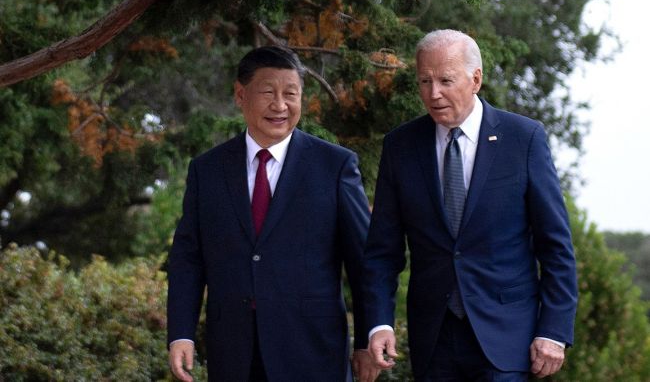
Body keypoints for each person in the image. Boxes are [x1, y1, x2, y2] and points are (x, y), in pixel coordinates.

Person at [363, 29, 578, 380]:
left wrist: (554, 330)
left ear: (476, 79)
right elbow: (381, 253)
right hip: (433, 339)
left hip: (507, 338)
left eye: (445, 80)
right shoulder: (400, 146)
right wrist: (379, 323)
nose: (434, 93)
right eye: (425, 81)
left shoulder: (523, 139)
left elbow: (555, 246)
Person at [167, 46, 379, 381]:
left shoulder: (335, 166)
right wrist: (182, 333)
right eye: (268, 93)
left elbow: (363, 262)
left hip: (314, 352)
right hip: (234, 353)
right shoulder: (207, 171)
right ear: (241, 95)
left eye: (290, 94)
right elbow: (188, 260)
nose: (280, 105)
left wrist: (368, 340)